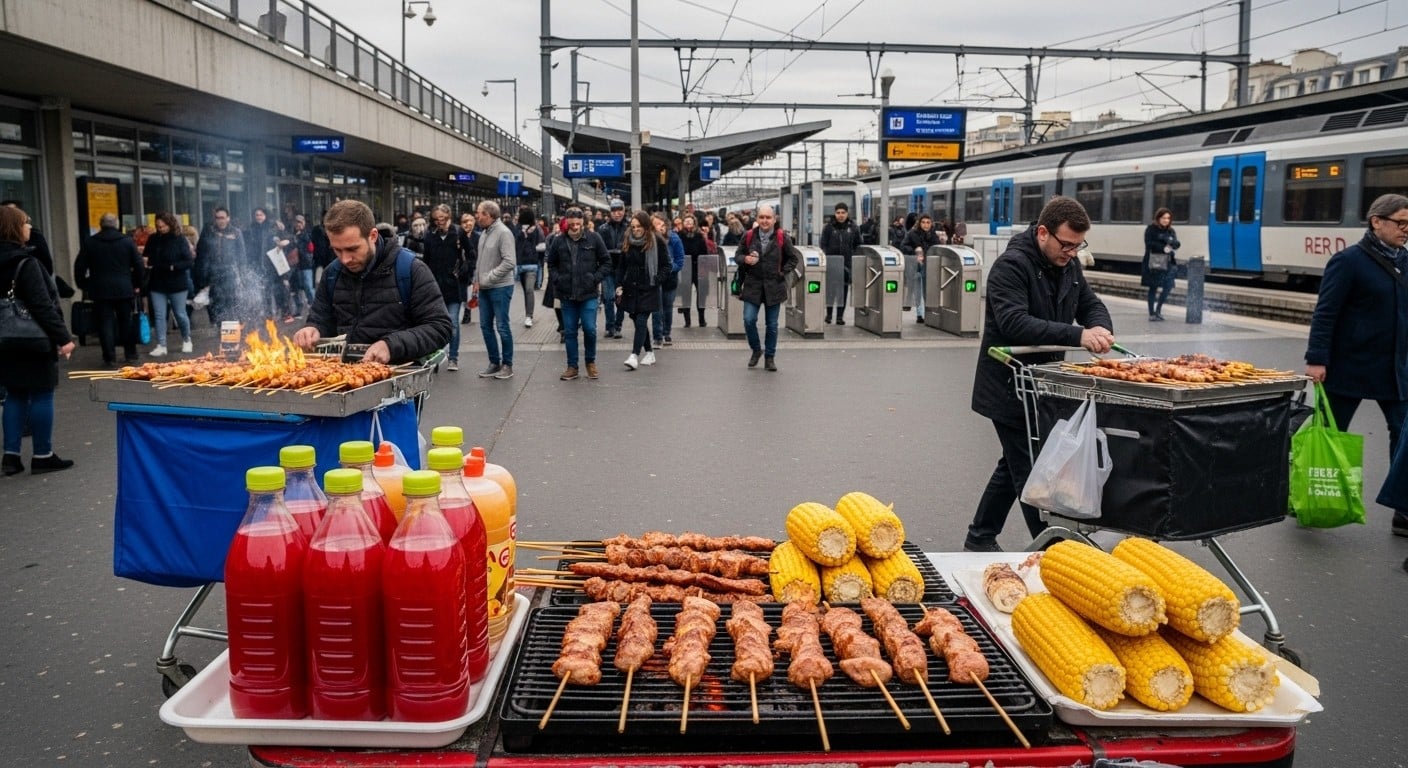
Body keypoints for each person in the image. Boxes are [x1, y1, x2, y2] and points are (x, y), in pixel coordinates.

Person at [964, 196, 1114, 552]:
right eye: (1066, 244)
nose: (1072, 253)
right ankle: (1053, 548)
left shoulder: (1069, 265)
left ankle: (980, 537)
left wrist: (1100, 328)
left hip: (1044, 387)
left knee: (1014, 464)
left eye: (1079, 246)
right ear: (1043, 233)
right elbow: (1015, 322)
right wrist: (1078, 335)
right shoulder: (1010, 267)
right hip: (1009, 388)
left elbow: (1089, 302)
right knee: (1033, 471)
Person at [1306, 193, 1408, 538]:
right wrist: (1317, 359)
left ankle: (1404, 511)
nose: (1405, 230)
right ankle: (1309, 497)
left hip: (1394, 369)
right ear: (1376, 221)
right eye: (1400, 223)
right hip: (1349, 367)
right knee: (1328, 435)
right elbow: (1326, 313)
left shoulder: (1405, 261)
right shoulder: (1348, 261)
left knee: (1404, 434)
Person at [293, 200, 450, 364]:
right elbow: (321, 318)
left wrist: (391, 345)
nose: (345, 259)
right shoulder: (332, 273)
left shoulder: (411, 269)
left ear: (373, 236)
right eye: (337, 250)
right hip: (343, 378)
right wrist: (312, 329)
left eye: (352, 249)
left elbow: (440, 327)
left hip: (398, 381)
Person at [0, 206, 76, 476]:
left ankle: (10, 456)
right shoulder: (26, 263)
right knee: (42, 393)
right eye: (26, 222)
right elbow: (43, 305)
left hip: (5, 340)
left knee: (15, 394)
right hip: (33, 340)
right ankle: (42, 455)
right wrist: (63, 338)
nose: (29, 227)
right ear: (14, 227)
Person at [545, 208, 610, 380]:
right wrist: (557, 279)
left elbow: (606, 262)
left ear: (583, 223)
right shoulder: (558, 241)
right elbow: (550, 263)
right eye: (572, 223)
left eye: (578, 223)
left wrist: (595, 278)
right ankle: (572, 366)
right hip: (567, 294)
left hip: (588, 293)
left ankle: (590, 362)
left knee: (590, 329)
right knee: (570, 331)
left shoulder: (594, 238)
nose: (575, 227)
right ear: (566, 222)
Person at [734, 205, 800, 372]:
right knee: (749, 320)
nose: (764, 221)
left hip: (774, 286)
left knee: (772, 324)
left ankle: (770, 357)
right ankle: (756, 350)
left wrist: (782, 272)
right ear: (757, 219)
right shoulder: (748, 236)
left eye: (768, 218)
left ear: (774, 219)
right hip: (753, 285)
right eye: (762, 217)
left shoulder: (781, 237)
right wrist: (745, 259)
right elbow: (737, 256)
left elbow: (793, 259)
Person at [74, 213, 145, 367]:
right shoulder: (127, 241)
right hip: (124, 287)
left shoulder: (91, 242)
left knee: (105, 323)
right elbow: (139, 265)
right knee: (126, 321)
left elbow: (79, 266)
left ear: (101, 224)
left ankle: (109, 356)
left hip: (100, 289)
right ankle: (130, 353)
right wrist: (137, 284)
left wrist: (84, 284)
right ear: (117, 224)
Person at [420, 204, 475, 371]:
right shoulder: (430, 236)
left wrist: (463, 271)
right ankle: (437, 356)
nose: (439, 222)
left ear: (448, 217)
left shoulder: (458, 233)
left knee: (453, 323)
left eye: (442, 219)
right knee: (435, 324)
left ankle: (453, 357)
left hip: (454, 286)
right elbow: (426, 261)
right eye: (436, 220)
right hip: (435, 287)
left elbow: (471, 254)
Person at [615, 211, 670, 371]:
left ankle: (634, 355)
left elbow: (667, 265)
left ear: (646, 226)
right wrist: (619, 285)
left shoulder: (656, 240)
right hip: (630, 287)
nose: (636, 229)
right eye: (633, 227)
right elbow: (621, 266)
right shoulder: (627, 240)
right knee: (637, 321)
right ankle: (650, 353)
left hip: (649, 287)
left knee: (640, 321)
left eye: (639, 226)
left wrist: (657, 279)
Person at [471, 200, 517, 379]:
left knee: (502, 326)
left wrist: (488, 277)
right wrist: (477, 280)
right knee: (485, 326)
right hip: (484, 288)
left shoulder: (504, 233)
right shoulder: (484, 233)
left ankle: (507, 364)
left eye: (479, 213)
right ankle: (494, 362)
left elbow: (509, 261)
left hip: (500, 287)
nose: (477, 216)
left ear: (489, 215)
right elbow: (480, 260)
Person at [142, 212, 194, 356]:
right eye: (158, 226)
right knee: (159, 315)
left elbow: (189, 261)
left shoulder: (179, 239)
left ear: (170, 224)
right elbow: (146, 256)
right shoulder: (153, 239)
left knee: (180, 313)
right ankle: (161, 345)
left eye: (163, 226)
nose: (161, 229)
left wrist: (173, 266)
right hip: (157, 282)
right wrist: (145, 261)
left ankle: (186, 339)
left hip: (176, 282)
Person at [195, 207, 246, 325]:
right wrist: (201, 277)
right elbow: (201, 254)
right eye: (217, 218)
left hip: (230, 273)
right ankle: (220, 329)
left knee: (232, 303)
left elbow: (242, 256)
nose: (220, 221)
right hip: (213, 274)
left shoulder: (236, 232)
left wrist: (242, 276)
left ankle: (231, 331)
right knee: (216, 304)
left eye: (222, 218)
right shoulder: (209, 231)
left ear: (228, 218)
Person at [247, 206, 293, 323]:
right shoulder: (252, 228)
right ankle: (268, 314)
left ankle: (284, 312)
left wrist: (284, 242)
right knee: (265, 290)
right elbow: (250, 247)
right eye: (257, 215)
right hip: (260, 264)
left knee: (280, 289)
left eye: (261, 215)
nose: (259, 217)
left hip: (275, 263)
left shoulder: (274, 226)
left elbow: (288, 238)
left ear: (265, 215)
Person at [821, 202, 860, 325]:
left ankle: (839, 316)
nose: (840, 215)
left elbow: (858, 244)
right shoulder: (828, 228)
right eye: (838, 212)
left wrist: (852, 257)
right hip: (831, 263)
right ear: (835, 213)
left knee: (842, 290)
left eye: (843, 212)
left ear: (847, 213)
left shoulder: (853, 228)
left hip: (846, 264)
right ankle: (828, 314)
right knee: (830, 290)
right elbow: (823, 244)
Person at [651, 213, 684, 347]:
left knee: (667, 307)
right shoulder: (649, 239)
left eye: (662, 224)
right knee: (656, 307)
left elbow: (680, 261)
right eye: (657, 224)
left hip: (669, 278)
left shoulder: (674, 239)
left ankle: (666, 332)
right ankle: (658, 336)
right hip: (655, 278)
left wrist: (668, 269)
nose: (660, 227)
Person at [597, 199, 629, 339]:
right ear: (610, 212)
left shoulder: (629, 227)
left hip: (623, 267)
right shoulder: (603, 229)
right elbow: (599, 248)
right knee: (609, 298)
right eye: (614, 211)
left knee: (620, 298)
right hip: (608, 268)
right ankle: (610, 326)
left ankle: (617, 326)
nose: (617, 214)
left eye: (619, 210)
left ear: (623, 211)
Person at [1142, 207, 1180, 321]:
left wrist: (1173, 242)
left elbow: (1176, 244)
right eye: (1163, 218)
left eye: (1168, 218)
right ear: (1158, 218)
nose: (1166, 220)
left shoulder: (1171, 231)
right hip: (1154, 263)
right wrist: (1163, 247)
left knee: (1168, 287)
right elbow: (1149, 244)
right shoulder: (1151, 229)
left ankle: (1158, 309)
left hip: (1168, 263)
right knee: (1153, 288)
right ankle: (1152, 313)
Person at [902, 213, 941, 324]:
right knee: (918, 289)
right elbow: (903, 246)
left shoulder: (933, 235)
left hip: (930, 265)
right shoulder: (912, 234)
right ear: (919, 223)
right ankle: (920, 314)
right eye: (923, 222)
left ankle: (926, 312)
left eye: (928, 222)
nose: (925, 225)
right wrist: (914, 250)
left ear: (931, 224)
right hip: (916, 265)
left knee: (927, 289)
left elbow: (938, 248)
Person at [677, 212, 711, 328]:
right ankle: (687, 321)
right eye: (686, 222)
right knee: (685, 294)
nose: (688, 224)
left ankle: (702, 318)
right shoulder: (679, 236)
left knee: (701, 293)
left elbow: (704, 251)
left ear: (694, 223)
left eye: (690, 222)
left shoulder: (699, 236)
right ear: (683, 223)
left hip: (698, 266)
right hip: (685, 267)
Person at [516, 205, 544, 328]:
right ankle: (529, 313)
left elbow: (542, 245)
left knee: (529, 290)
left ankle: (529, 315)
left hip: (532, 264)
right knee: (525, 291)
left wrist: (532, 248)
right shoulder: (517, 229)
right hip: (521, 264)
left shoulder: (537, 229)